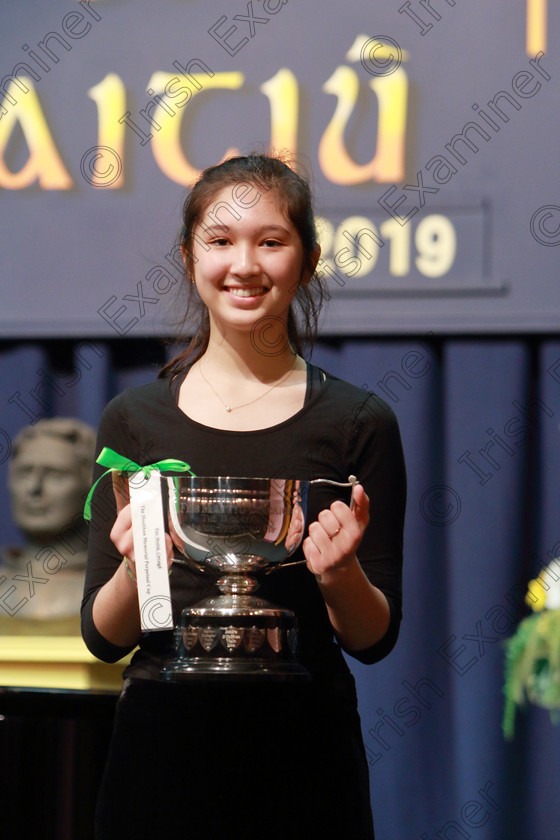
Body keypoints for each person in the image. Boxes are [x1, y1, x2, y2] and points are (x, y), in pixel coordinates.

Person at [82, 154, 406, 840]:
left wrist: (340, 573)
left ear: (309, 260)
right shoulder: (135, 421)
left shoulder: (357, 422)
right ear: (189, 256)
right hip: (163, 745)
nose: (244, 264)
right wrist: (136, 568)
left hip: (303, 748)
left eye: (271, 240)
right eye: (220, 241)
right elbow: (104, 638)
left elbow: (373, 638)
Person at [0, 417, 96, 634]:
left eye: (55, 475)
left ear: (91, 486)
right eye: (24, 473)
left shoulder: (111, 592)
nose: (34, 488)